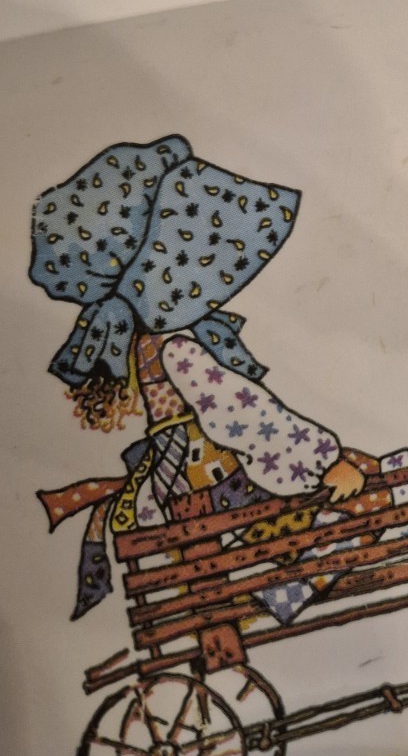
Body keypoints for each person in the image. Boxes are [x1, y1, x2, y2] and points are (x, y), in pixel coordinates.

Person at [30, 135, 364, 620]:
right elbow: (244, 414)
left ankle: (264, 598)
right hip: (214, 484)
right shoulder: (177, 348)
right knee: (340, 530)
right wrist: (323, 462)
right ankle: (274, 601)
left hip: (183, 485)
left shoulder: (142, 346)